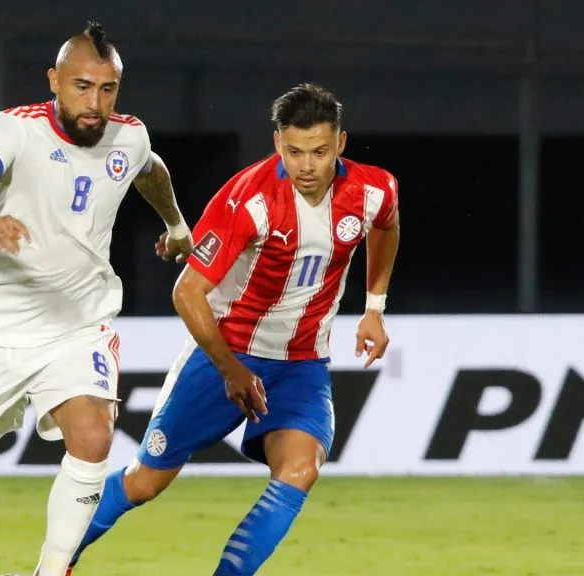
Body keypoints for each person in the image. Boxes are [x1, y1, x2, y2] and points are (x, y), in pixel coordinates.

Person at [0, 22, 193, 576]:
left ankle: (50, 571)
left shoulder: (129, 136)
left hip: (80, 322)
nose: (95, 103)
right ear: (54, 80)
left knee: (94, 437)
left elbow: (149, 169)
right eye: (82, 86)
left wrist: (176, 224)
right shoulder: (16, 131)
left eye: (107, 89)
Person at [68, 83, 401, 576]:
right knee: (145, 481)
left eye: (319, 152)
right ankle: (53, 565)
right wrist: (231, 370)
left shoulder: (373, 190)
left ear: (341, 144)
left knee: (300, 470)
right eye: (294, 152)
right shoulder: (250, 199)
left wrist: (375, 306)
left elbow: (387, 225)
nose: (306, 166)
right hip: (223, 352)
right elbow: (187, 291)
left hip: (302, 363)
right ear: (277, 144)